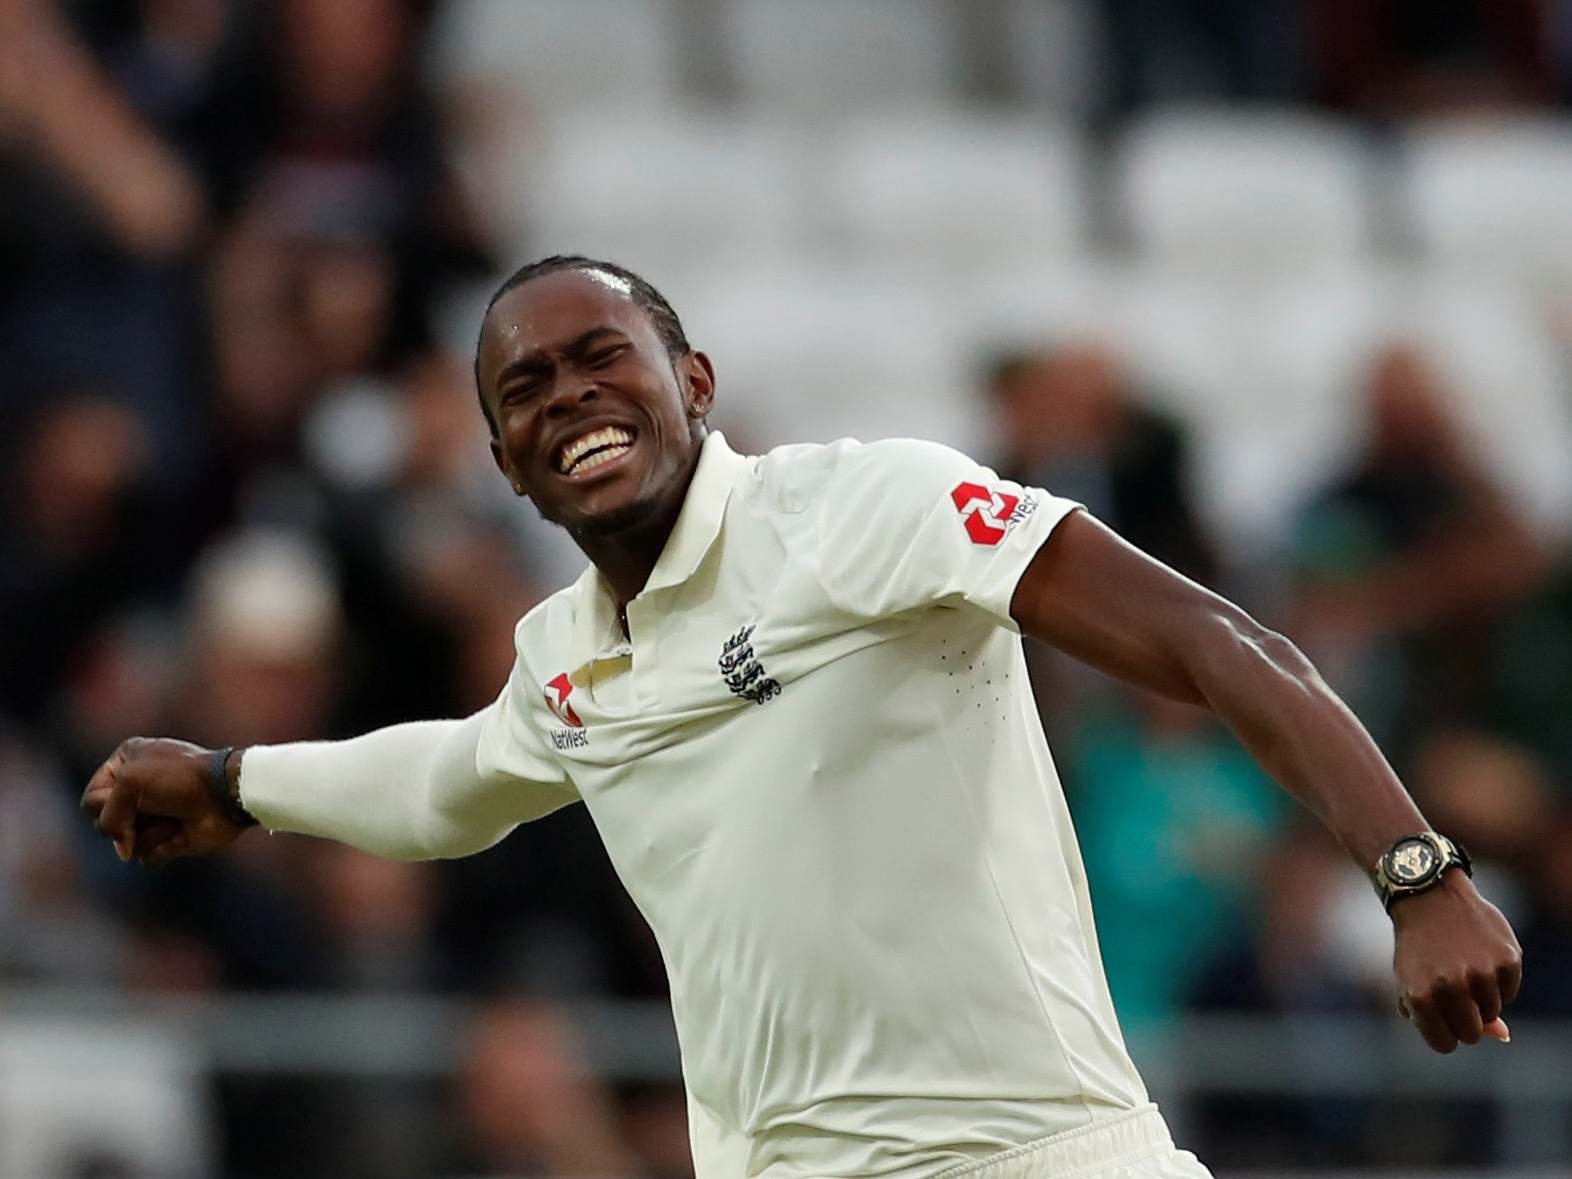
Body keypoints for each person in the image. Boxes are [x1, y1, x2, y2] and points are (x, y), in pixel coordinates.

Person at [83, 255, 1523, 1179]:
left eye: (604, 357)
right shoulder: (569, 661)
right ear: (506, 466)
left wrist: (1418, 868)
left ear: (693, 385)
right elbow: (449, 782)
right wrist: (233, 778)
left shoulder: (861, 510)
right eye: (528, 388)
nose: (573, 396)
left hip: (1036, 1158)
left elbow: (1216, 639)